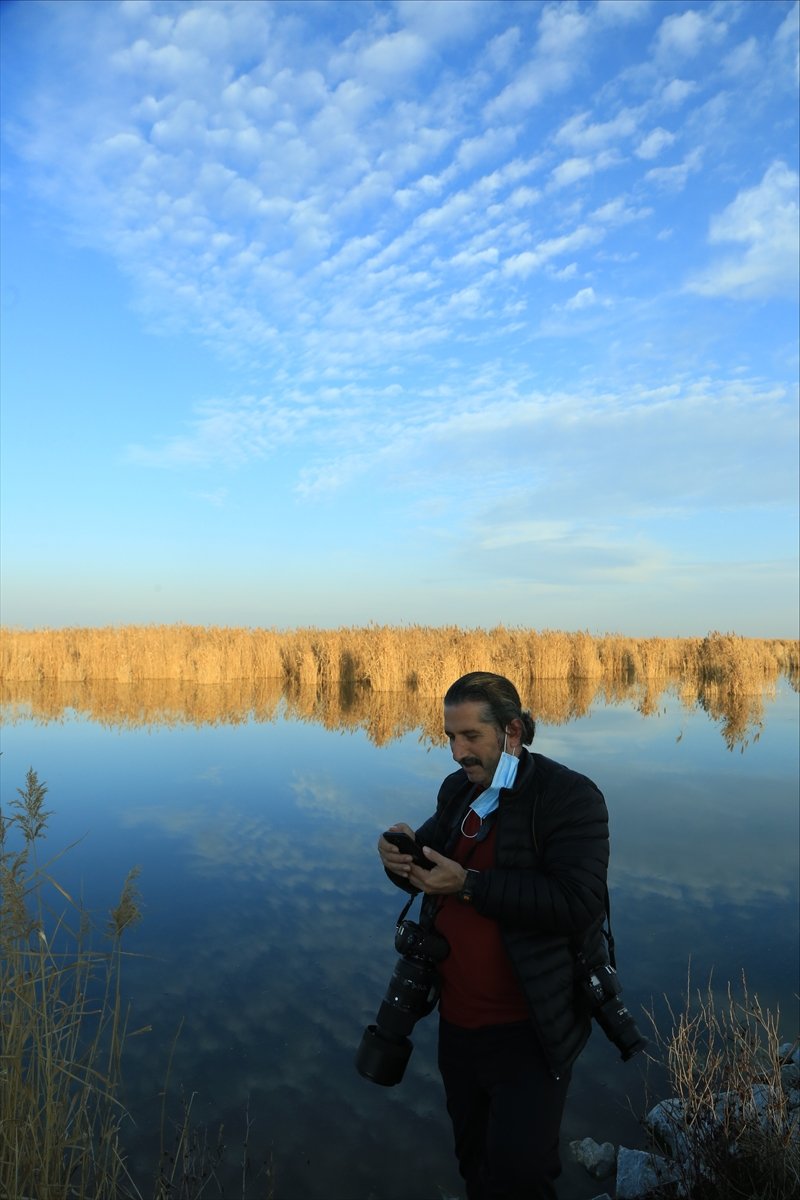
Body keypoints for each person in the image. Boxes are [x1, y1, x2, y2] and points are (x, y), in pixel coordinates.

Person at [377, 671, 609, 1200]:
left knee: (521, 1177)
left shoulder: (569, 798)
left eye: (470, 737)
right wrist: (398, 859)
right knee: (473, 1163)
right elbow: (431, 864)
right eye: (450, 737)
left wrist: (472, 887)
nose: (457, 752)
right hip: (458, 1027)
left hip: (531, 1029)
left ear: (512, 732)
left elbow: (578, 903)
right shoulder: (459, 791)